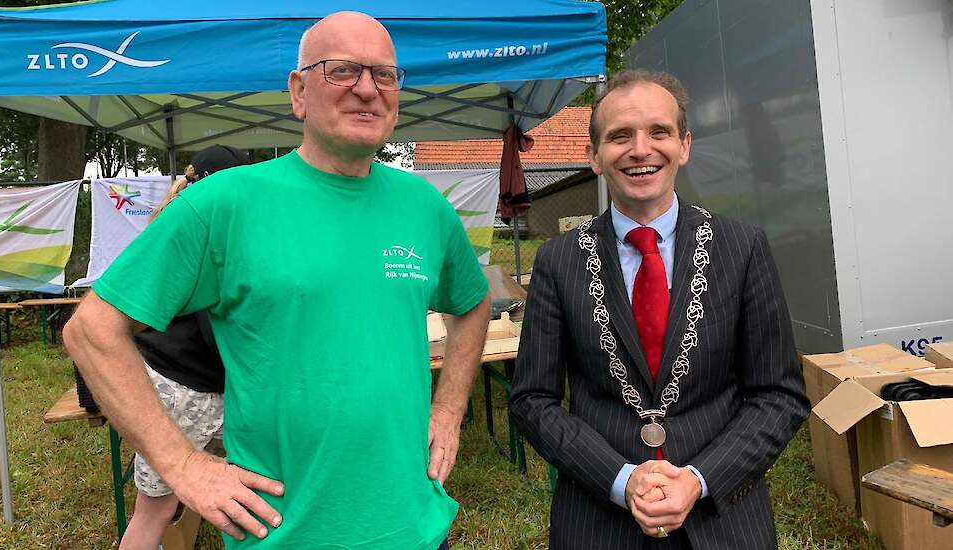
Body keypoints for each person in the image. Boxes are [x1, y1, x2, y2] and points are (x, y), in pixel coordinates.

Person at [63, 11, 490, 550]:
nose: (367, 89)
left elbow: (472, 304)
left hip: (415, 528)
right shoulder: (222, 204)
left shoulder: (426, 207)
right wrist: (183, 465)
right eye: (342, 71)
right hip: (284, 534)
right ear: (298, 92)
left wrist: (449, 410)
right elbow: (91, 332)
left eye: (384, 74)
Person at [509, 69, 809, 549]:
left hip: (723, 520)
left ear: (684, 146)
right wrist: (620, 478)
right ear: (594, 156)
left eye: (659, 132)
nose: (641, 149)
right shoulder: (558, 261)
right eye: (620, 136)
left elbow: (779, 394)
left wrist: (699, 478)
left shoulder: (742, 247)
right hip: (599, 521)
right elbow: (532, 401)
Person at [120, 144, 250, 550]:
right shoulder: (208, 232)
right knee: (156, 511)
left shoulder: (178, 219)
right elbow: (217, 332)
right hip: (187, 388)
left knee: (156, 510)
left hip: (172, 381)